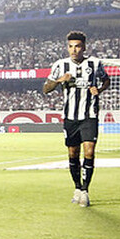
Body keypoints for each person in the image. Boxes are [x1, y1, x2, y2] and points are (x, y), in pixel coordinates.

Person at [43, 31, 109, 207]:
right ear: (67, 47)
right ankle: (77, 187)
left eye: (78, 46)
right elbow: (45, 89)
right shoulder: (60, 65)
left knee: (89, 152)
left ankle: (85, 191)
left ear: (84, 47)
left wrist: (99, 90)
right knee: (73, 154)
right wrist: (59, 80)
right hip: (70, 117)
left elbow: (106, 80)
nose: (74, 50)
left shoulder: (95, 63)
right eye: (71, 46)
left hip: (89, 116)